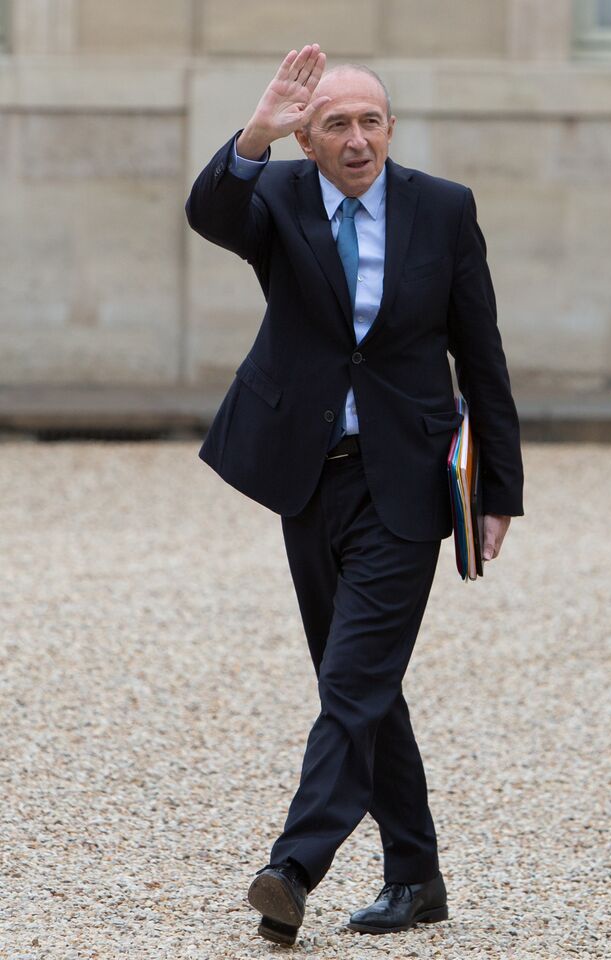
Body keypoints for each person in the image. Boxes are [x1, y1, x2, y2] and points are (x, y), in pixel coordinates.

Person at [185, 45, 524, 943]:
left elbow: (482, 354)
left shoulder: (443, 209)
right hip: (307, 475)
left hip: (407, 483)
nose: (357, 137)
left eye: (371, 120)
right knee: (366, 686)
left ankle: (293, 866)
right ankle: (417, 878)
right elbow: (208, 211)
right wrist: (257, 130)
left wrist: (500, 492)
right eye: (335, 123)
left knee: (351, 683)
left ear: (391, 128)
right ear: (309, 137)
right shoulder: (279, 198)